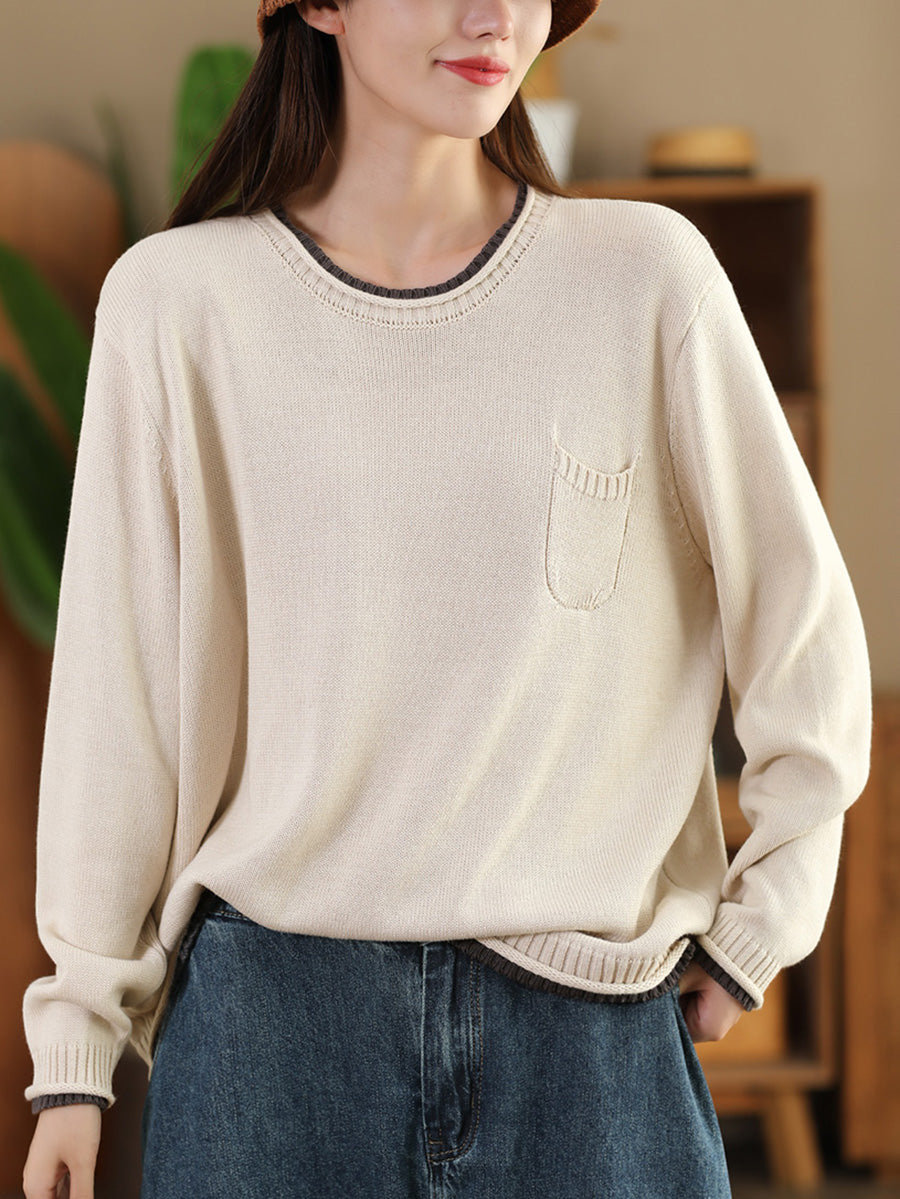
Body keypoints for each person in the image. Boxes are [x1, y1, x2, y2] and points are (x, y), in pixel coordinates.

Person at [21, 0, 871, 1194]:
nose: (494, 16)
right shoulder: (177, 304)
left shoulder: (647, 281)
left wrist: (765, 917)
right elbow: (118, 700)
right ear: (321, 5)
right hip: (271, 1045)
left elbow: (805, 634)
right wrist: (75, 1049)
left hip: (592, 1050)